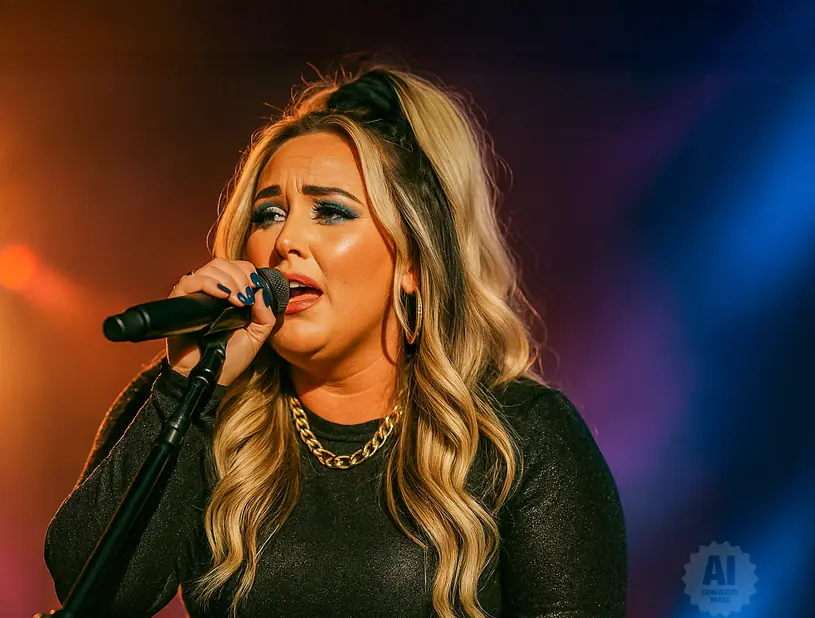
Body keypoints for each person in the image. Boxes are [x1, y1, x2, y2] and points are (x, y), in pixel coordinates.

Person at [43, 61, 627, 618]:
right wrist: (186, 386)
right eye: (269, 214)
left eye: (329, 212)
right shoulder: (198, 399)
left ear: (413, 261)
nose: (286, 240)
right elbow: (92, 593)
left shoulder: (521, 434)